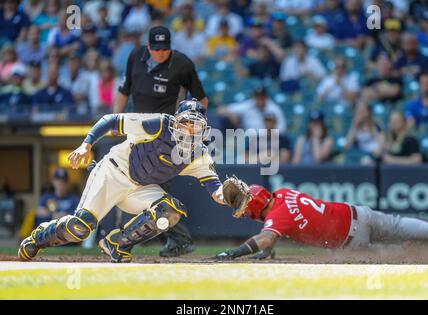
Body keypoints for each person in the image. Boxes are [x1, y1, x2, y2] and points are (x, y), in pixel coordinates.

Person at [18, 99, 227, 263]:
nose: (189, 131)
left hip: (140, 188)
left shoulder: (199, 154)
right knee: (80, 228)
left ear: (204, 131)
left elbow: (215, 189)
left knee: (169, 213)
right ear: (175, 122)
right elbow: (111, 120)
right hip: (113, 173)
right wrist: (86, 145)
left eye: (195, 127)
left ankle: (116, 244)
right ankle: (39, 237)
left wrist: (227, 196)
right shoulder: (158, 125)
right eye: (185, 124)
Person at [113, 25, 209, 257]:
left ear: (170, 47)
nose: (161, 53)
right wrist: (116, 122)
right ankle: (168, 238)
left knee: (154, 187)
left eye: (165, 49)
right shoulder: (135, 56)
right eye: (156, 49)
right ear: (148, 47)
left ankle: (174, 239)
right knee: (137, 185)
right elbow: (124, 90)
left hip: (165, 135)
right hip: (137, 130)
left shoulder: (182, 64)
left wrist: (190, 132)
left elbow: (202, 100)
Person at [213, 179, 428, 260]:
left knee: (384, 256)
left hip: (351, 243)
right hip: (357, 212)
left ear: (255, 207)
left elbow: (266, 238)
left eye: (245, 207)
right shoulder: (283, 193)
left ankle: (409, 252)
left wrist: (234, 252)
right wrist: (266, 249)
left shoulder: (276, 217)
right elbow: (273, 231)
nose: (245, 211)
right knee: (398, 224)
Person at [217, 86, 286, 133]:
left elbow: (282, 129)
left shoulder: (274, 109)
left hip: (267, 139)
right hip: (248, 140)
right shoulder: (249, 105)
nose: (259, 100)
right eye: (257, 97)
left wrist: (268, 132)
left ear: (266, 97)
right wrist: (233, 116)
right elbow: (222, 110)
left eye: (261, 97)